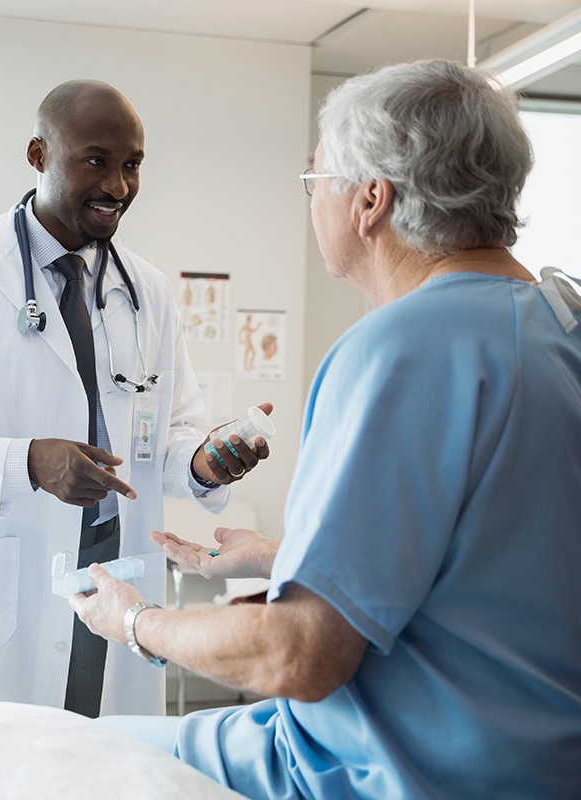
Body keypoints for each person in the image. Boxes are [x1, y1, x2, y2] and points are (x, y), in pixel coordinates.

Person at [69, 60, 581, 798]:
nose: (314, 205)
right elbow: (496, 568)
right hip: (540, 763)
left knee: (83, 751)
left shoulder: (402, 348)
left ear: (371, 199)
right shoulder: (558, 325)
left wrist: (137, 620)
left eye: (317, 183)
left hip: (392, 772)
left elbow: (298, 658)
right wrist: (285, 558)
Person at [0, 79, 270, 719]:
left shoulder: (149, 292)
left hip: (118, 583)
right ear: (37, 155)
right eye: (96, 160)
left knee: (104, 768)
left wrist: (205, 461)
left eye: (132, 165)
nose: (118, 186)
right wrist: (26, 462)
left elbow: (170, 433)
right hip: (2, 589)